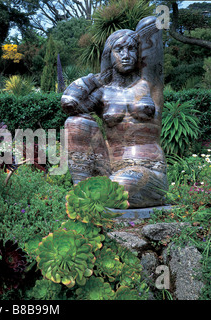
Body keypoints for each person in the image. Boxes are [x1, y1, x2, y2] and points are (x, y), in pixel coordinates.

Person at [61, 28, 167, 208]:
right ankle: (82, 192)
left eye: (132, 48)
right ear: (108, 55)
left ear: (139, 52)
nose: (126, 55)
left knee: (126, 183)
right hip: (110, 168)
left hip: (148, 171)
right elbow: (69, 103)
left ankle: (93, 195)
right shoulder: (103, 93)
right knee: (76, 122)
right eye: (119, 50)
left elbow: (151, 26)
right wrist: (98, 78)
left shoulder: (149, 84)